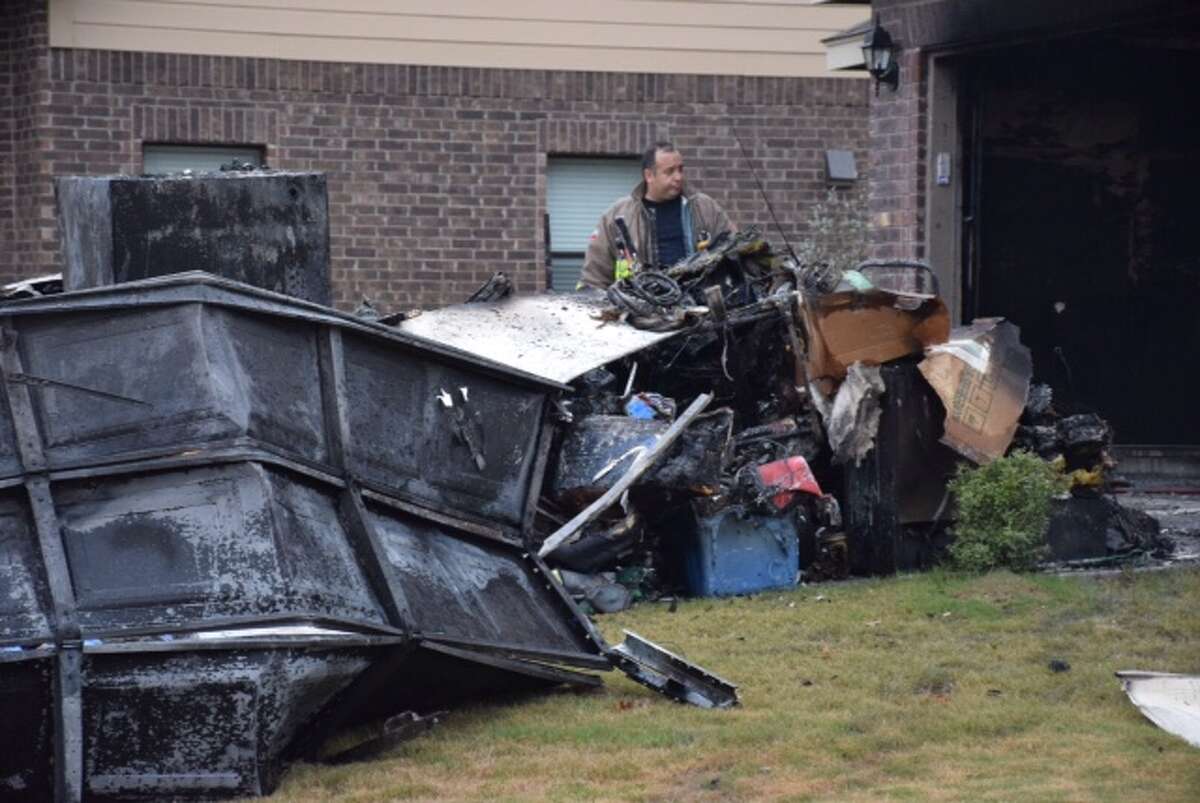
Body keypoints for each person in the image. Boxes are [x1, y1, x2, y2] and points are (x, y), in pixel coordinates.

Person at [578, 141, 734, 289]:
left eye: (680, 169)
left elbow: (735, 250)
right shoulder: (617, 216)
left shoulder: (705, 208)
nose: (678, 177)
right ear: (649, 176)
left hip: (699, 311)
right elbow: (594, 278)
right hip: (640, 312)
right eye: (670, 171)